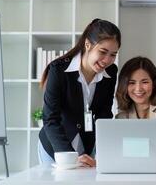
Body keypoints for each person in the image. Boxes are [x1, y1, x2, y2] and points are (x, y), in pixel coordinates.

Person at [38, 18, 121, 167]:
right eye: (103, 52)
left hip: (87, 147)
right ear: (88, 44)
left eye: (113, 54)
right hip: (56, 147)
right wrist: (70, 158)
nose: (107, 60)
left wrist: (103, 154)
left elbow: (104, 114)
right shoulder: (58, 70)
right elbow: (50, 119)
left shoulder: (111, 72)